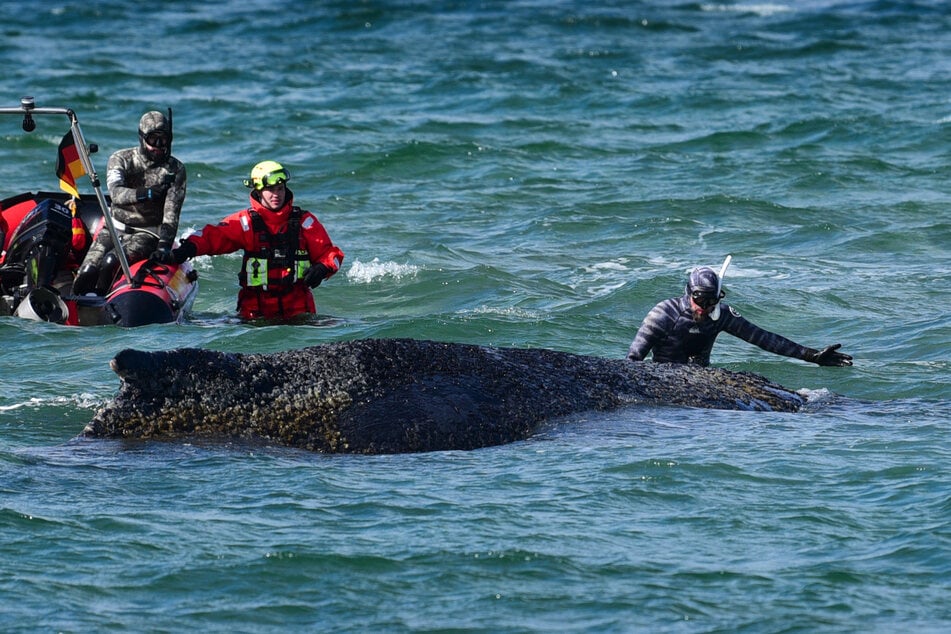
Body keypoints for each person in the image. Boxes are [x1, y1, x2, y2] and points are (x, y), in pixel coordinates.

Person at [156, 160, 344, 320]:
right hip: (255, 315)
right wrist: (186, 250)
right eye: (270, 190)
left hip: (299, 313)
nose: (276, 194)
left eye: (280, 189)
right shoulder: (245, 223)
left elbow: (332, 255)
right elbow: (213, 237)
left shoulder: (305, 222)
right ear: (258, 191)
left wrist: (323, 268)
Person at [627, 265, 852, 367]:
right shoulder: (664, 313)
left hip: (702, 378)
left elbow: (763, 338)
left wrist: (812, 356)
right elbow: (633, 359)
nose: (705, 307)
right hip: (665, 376)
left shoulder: (720, 315)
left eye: (712, 301)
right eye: (700, 300)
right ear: (688, 293)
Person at [73, 110, 186, 295]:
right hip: (113, 229)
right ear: (142, 138)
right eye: (153, 140)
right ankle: (73, 304)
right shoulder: (121, 159)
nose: (158, 146)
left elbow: (171, 211)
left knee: (110, 262)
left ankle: (103, 303)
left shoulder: (175, 170)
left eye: (163, 140)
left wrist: (164, 245)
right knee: (87, 272)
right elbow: (116, 194)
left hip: (147, 234)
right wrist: (146, 193)